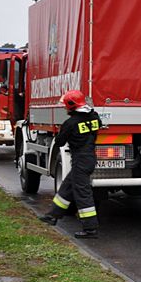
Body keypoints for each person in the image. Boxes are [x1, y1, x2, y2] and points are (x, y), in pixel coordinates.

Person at [38, 90, 101, 239]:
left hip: (80, 159)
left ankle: (90, 229)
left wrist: (61, 132)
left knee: (82, 193)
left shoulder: (70, 123)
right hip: (89, 158)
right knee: (67, 186)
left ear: (71, 105)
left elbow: (59, 141)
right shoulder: (94, 116)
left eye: (66, 105)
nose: (65, 108)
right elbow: (97, 127)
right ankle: (52, 216)